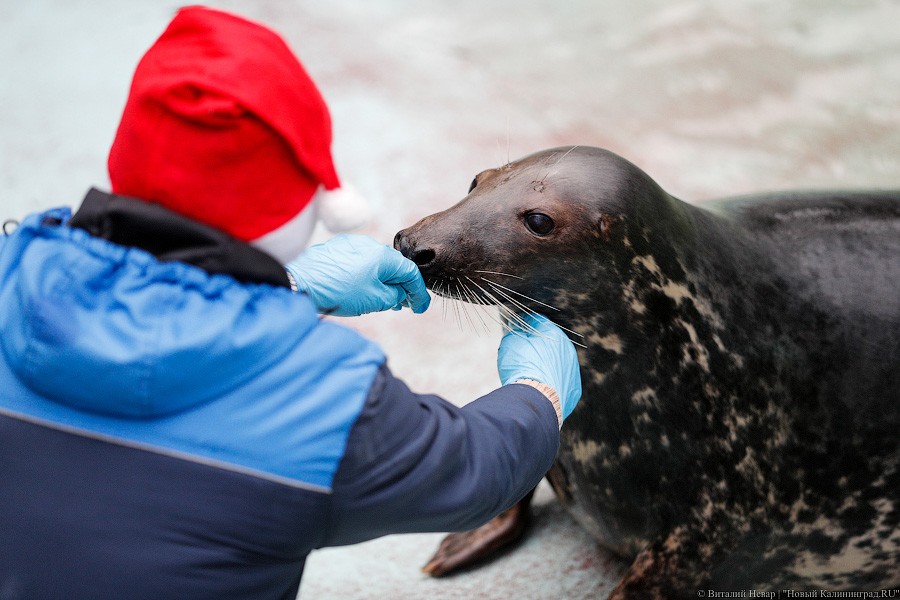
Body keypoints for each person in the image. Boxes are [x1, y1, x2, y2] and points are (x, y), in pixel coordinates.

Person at [0, 6, 581, 599]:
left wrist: (290, 287)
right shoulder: (324, 403)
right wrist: (540, 394)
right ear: (307, 203)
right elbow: (472, 472)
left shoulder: (7, 270)